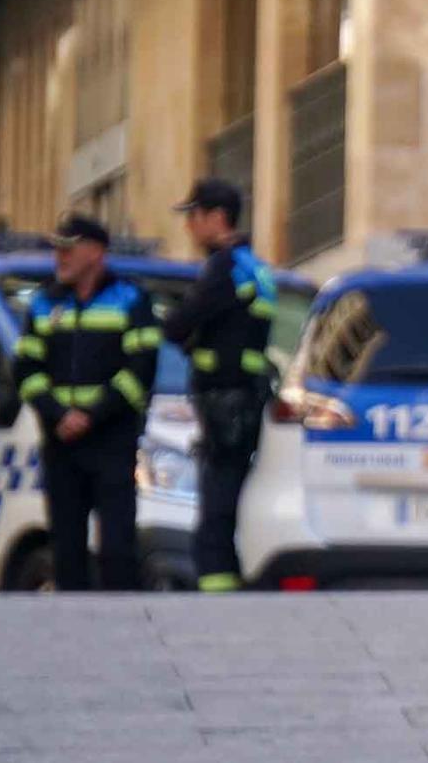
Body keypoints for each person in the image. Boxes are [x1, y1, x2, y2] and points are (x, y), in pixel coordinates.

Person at [13, 214, 159, 590]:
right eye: (57, 248)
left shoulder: (131, 299)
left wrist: (92, 415)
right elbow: (26, 371)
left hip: (111, 439)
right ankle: (71, 629)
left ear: (96, 252)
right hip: (62, 441)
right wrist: (59, 414)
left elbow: (139, 372)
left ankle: (124, 624)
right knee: (65, 546)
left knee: (116, 545)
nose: (59, 256)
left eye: (68, 248)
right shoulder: (44, 302)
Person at [164, 178, 276, 593]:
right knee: (229, 501)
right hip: (246, 399)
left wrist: (189, 336)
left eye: (192, 216)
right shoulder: (256, 267)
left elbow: (178, 325)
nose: (188, 227)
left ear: (215, 218)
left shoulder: (224, 269)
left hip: (224, 402)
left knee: (215, 514)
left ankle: (218, 599)